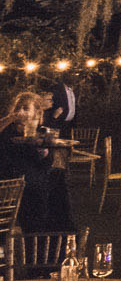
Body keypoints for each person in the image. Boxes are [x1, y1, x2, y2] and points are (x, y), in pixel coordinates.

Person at [1, 91, 74, 230]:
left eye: (25, 108)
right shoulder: (7, 130)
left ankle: (58, 232)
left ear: (36, 113)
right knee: (44, 186)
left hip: (30, 182)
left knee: (57, 177)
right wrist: (10, 118)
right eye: (17, 108)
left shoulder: (41, 133)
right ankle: (43, 229)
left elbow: (45, 164)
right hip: (10, 182)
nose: (20, 112)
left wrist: (44, 154)